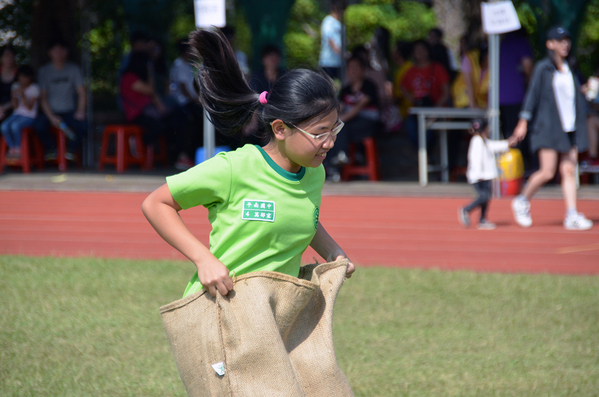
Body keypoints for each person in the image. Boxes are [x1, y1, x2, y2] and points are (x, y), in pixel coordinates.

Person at [142, 28, 355, 300]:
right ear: (280, 129)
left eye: (333, 130)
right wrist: (203, 260)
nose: (329, 143)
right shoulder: (234, 168)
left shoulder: (314, 172)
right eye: (319, 133)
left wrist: (334, 253)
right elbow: (156, 204)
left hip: (274, 314)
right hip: (221, 311)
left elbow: (301, 216)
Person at [511, 27, 593, 231]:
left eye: (567, 40)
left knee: (568, 170)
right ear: (550, 44)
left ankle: (572, 214)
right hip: (548, 126)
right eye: (560, 40)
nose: (565, 44)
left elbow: (574, 94)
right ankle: (522, 200)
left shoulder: (572, 67)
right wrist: (523, 121)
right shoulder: (543, 68)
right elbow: (532, 96)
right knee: (547, 172)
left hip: (570, 127)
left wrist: (586, 90)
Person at [326, 55, 379, 181]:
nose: (353, 71)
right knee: (330, 130)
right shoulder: (346, 89)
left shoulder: (369, 86)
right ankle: (333, 167)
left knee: (341, 127)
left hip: (369, 123)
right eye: (350, 68)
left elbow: (358, 108)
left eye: (356, 67)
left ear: (362, 70)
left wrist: (339, 121)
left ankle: (341, 155)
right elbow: (339, 107)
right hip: (350, 123)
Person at [34, 38, 87, 160]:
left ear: (66, 52)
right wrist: (51, 117)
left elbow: (82, 93)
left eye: (61, 50)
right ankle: (51, 149)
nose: (58, 54)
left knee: (83, 125)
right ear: (50, 53)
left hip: (69, 111)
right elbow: (43, 98)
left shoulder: (74, 69)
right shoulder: (44, 71)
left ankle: (70, 150)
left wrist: (80, 111)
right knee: (38, 126)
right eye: (55, 51)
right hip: (50, 112)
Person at [459, 119, 517, 230]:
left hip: (485, 175)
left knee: (486, 198)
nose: (489, 129)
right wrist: (478, 174)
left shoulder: (483, 140)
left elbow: (494, 146)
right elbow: (475, 159)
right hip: (479, 176)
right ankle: (466, 210)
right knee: (484, 196)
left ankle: (482, 219)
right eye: (487, 127)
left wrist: (508, 142)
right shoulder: (477, 141)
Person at [401, 40, 450, 150]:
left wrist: (437, 106)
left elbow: (446, 91)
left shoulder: (438, 68)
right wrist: (412, 99)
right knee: (411, 125)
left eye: (422, 49)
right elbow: (402, 87)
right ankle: (423, 154)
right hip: (418, 109)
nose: (419, 52)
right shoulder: (411, 70)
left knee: (427, 127)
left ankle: (427, 154)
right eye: (416, 50)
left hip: (436, 109)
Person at [499, 29, 535, 172]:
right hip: (516, 96)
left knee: (506, 134)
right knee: (518, 135)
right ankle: (518, 170)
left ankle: (509, 170)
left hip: (499, 97)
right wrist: (533, 84)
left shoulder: (500, 43)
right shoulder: (521, 43)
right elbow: (528, 66)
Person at [169, 38, 202, 170]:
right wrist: (197, 100)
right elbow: (183, 88)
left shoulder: (189, 66)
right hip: (182, 105)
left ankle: (192, 155)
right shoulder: (179, 65)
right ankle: (184, 155)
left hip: (190, 103)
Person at [1, 65, 39, 163]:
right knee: (4, 126)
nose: (22, 80)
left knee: (15, 126)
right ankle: (12, 147)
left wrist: (22, 94)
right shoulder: (15, 86)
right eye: (20, 77)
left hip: (29, 116)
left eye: (24, 77)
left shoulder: (34, 88)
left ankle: (18, 148)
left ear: (30, 77)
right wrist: (14, 96)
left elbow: (29, 107)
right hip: (17, 114)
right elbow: (15, 107)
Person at [318, 0, 344, 80]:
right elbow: (330, 40)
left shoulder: (340, 22)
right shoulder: (328, 21)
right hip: (328, 62)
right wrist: (343, 54)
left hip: (339, 63)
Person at [0, 45, 18, 124]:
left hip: (15, 109)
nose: (10, 58)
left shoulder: (20, 75)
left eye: (12, 55)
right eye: (6, 55)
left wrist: (3, 108)